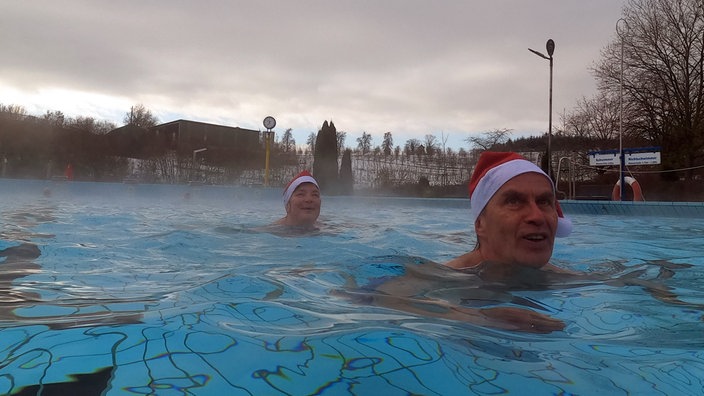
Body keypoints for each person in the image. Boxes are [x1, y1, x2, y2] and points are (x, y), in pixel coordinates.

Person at [445, 151, 572, 273]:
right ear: (480, 224)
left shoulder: (571, 282)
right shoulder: (439, 286)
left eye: (544, 202)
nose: (537, 217)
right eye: (514, 202)